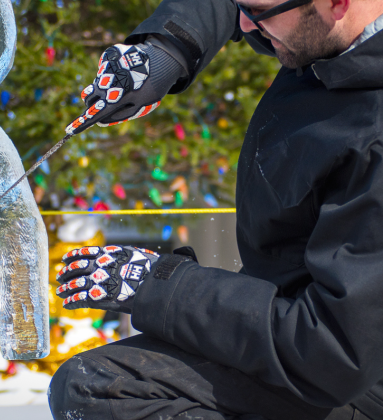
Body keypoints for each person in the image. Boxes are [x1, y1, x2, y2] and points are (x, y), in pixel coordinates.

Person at [49, 0, 383, 418]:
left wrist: (159, 285)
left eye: (258, 11)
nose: (245, 24)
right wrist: (168, 48)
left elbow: (335, 352)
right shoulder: (327, 34)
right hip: (296, 321)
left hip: (346, 373)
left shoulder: (374, 137)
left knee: (103, 390)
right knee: (93, 383)